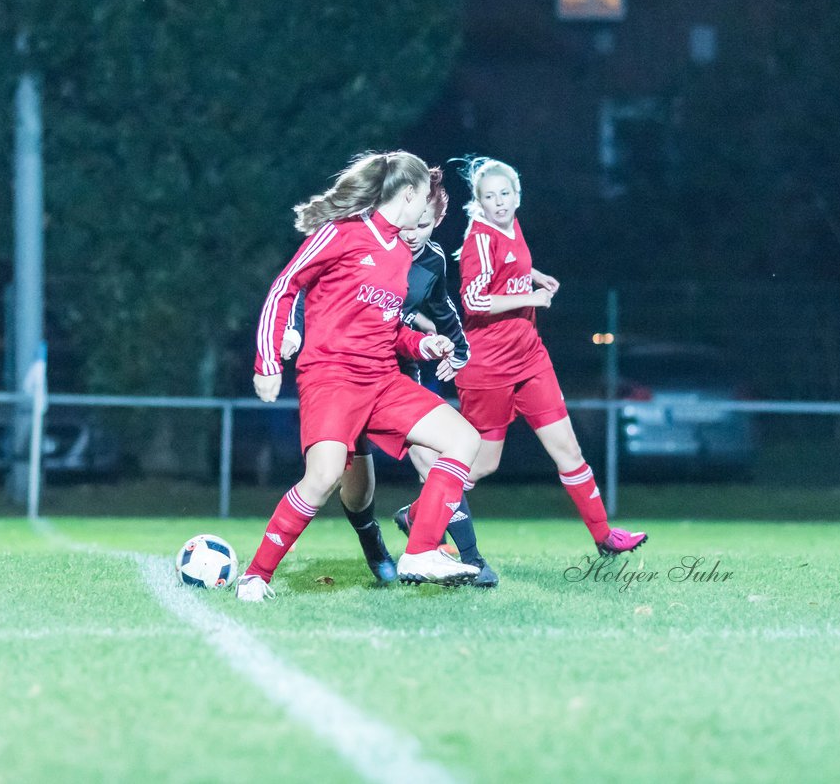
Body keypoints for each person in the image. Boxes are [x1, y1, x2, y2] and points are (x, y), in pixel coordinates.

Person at [237, 151, 485, 602]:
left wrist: (421, 344)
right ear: (409, 195)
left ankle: (421, 551)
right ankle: (256, 576)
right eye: (422, 200)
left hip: (384, 380)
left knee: (464, 439)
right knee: (325, 477)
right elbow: (284, 286)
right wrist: (268, 361)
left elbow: (387, 330)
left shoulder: (397, 253)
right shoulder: (342, 233)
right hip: (331, 378)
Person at [447, 156, 647, 557]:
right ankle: (421, 514)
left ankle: (604, 535)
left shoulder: (512, 225)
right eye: (490, 197)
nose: (500, 202)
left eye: (505, 194)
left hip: (530, 359)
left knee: (569, 450)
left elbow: (509, 265)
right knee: (484, 465)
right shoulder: (480, 240)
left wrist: (533, 274)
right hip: (489, 368)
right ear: (480, 202)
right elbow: (472, 299)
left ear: (517, 196)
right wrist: (531, 296)